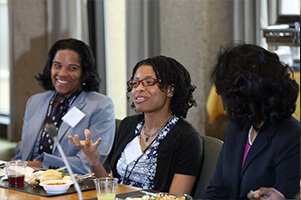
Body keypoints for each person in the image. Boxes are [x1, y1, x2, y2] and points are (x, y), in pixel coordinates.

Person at [69, 55, 203, 194]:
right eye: (135, 83)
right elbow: (110, 189)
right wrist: (94, 161)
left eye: (149, 82)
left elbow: (176, 198)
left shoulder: (187, 138)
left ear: (170, 90)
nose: (138, 88)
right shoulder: (128, 125)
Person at [203, 43, 300, 199]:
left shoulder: (291, 137)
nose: (221, 98)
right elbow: (218, 189)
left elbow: (287, 195)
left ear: (246, 93)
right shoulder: (237, 127)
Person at [12, 38, 115, 174]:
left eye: (72, 68)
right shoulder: (35, 102)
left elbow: (87, 164)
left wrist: (38, 165)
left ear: (84, 73)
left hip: (70, 186)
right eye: (57, 66)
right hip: (26, 181)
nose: (62, 74)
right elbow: (22, 154)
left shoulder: (100, 106)